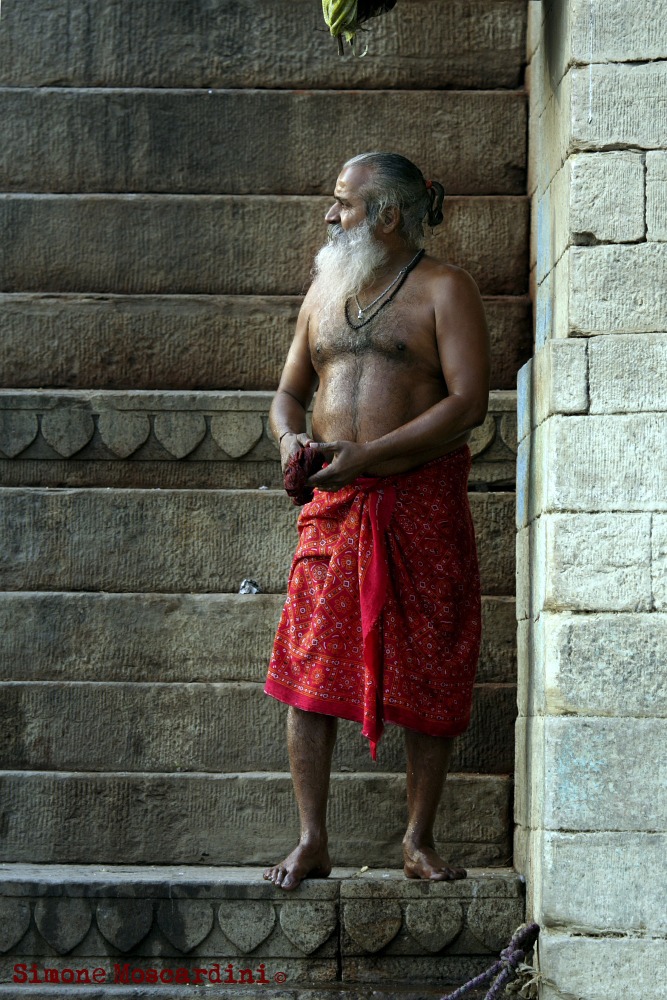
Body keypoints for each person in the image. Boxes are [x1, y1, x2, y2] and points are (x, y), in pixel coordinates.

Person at [263, 152, 490, 890]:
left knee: (433, 662)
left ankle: (417, 841)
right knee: (306, 668)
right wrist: (291, 440)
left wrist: (370, 456)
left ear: (388, 215)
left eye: (343, 204)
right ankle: (312, 840)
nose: (331, 216)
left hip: (418, 501)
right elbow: (288, 393)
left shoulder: (443, 289)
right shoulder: (323, 291)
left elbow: (466, 404)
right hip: (333, 509)